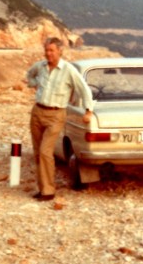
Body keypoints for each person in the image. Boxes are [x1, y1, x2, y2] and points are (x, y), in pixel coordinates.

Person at [26, 37, 94, 201]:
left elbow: (83, 89)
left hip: (56, 115)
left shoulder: (68, 70)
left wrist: (88, 110)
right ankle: (42, 189)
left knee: (45, 152)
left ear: (60, 51)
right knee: (38, 153)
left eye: (52, 50)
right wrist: (35, 84)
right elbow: (29, 75)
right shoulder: (40, 66)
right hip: (37, 112)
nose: (48, 53)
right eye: (46, 50)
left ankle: (49, 191)